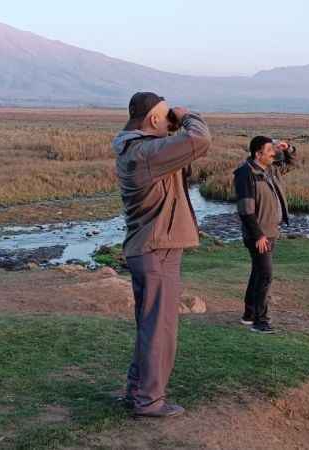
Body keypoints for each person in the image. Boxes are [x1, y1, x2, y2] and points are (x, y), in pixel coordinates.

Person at [110, 92, 211, 417]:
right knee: (160, 330)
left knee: (150, 327)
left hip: (147, 249)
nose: (171, 121)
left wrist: (173, 126)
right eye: (166, 116)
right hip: (158, 250)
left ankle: (137, 392)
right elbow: (199, 139)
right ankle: (150, 401)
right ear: (154, 119)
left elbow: (183, 154)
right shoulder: (146, 153)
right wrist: (186, 116)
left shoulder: (136, 150)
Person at [233, 136, 298, 333]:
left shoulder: (269, 169)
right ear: (258, 154)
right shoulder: (245, 174)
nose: (273, 153)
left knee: (258, 272)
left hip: (270, 231)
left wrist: (288, 149)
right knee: (265, 275)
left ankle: (249, 314)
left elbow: (291, 164)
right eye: (270, 150)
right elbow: (245, 210)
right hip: (259, 235)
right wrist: (258, 235)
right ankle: (260, 321)